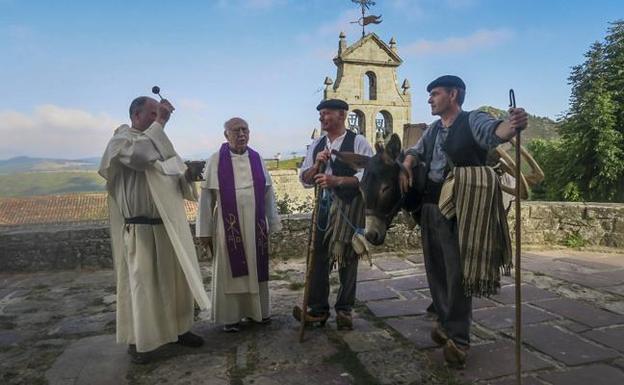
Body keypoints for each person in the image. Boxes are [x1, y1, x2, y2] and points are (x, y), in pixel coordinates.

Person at [400, 75, 528, 368]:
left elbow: (496, 131)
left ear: (453, 95)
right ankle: (445, 323)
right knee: (436, 270)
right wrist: (407, 163)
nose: (430, 99)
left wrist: (513, 124)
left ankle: (459, 339)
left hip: (462, 207)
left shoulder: (473, 120)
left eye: (435, 93)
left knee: (457, 274)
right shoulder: (433, 129)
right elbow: (415, 151)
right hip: (430, 206)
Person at [99, 96, 210, 364]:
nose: (158, 116)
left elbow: (172, 176)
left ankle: (180, 329)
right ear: (136, 115)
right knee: (143, 286)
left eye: (158, 113)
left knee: (175, 283)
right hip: (141, 230)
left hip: (168, 227)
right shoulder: (121, 141)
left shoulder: (157, 142)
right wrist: (160, 122)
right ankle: (140, 341)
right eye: (152, 112)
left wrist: (188, 175)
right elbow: (139, 156)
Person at [196, 117, 281, 332]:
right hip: (227, 229)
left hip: (256, 227)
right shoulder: (216, 160)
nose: (241, 134)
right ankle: (231, 318)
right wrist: (204, 231)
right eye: (236, 131)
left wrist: (272, 222)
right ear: (226, 135)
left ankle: (258, 313)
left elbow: (268, 194)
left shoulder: (257, 158)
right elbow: (206, 200)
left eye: (245, 130)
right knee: (230, 272)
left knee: (255, 268)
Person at [295, 99, 374, 330]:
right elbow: (304, 179)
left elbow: (369, 174)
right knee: (317, 257)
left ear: (342, 115)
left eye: (326, 113)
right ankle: (318, 310)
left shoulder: (358, 142)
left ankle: (344, 310)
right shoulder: (317, 144)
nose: (321, 118)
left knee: (347, 258)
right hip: (322, 208)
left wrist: (337, 180)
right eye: (320, 114)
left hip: (348, 207)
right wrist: (315, 166)